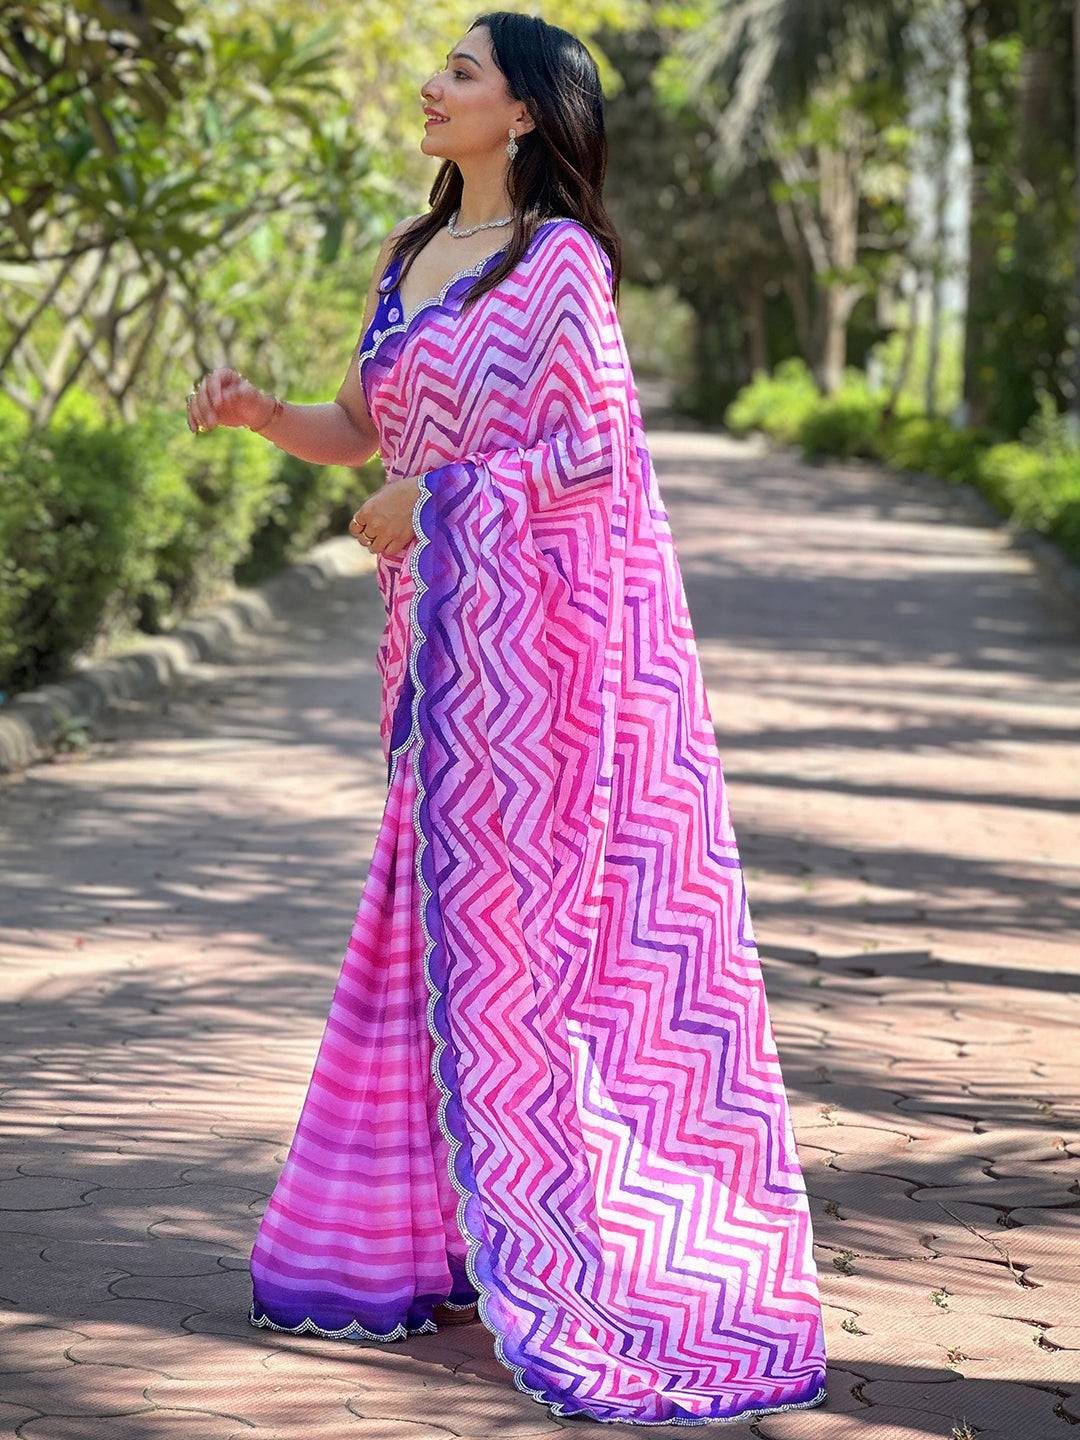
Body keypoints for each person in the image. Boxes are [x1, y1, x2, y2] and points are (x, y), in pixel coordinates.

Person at [187, 12, 828, 1428]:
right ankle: (397, 1243)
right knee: (433, 940)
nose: (432, 86)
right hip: (433, 661)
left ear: (526, 114)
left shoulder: (560, 266)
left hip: (536, 680)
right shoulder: (408, 262)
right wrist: (258, 417)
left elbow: (597, 450)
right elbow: (360, 427)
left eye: (462, 71)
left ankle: (576, 1243)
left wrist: (445, 498)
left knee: (520, 954)